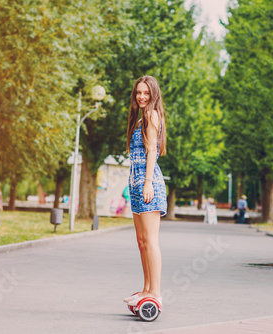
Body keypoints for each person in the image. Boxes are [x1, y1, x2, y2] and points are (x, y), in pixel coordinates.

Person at [123, 76, 167, 309]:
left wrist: (148, 183)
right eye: (138, 92)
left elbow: (152, 152)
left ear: (153, 95)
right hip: (137, 184)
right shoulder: (140, 119)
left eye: (146, 93)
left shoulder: (151, 115)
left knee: (150, 241)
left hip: (149, 185)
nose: (141, 96)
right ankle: (146, 289)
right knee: (141, 241)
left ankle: (156, 293)